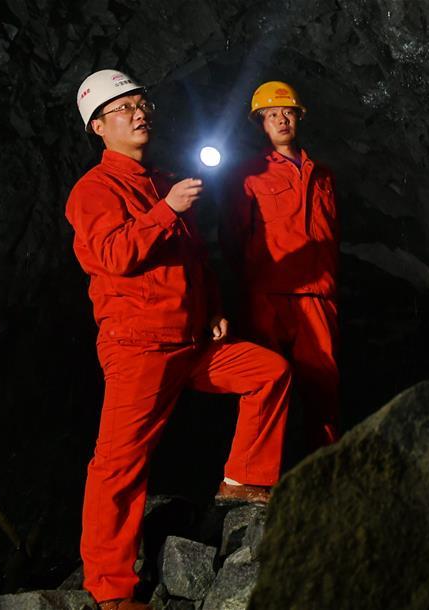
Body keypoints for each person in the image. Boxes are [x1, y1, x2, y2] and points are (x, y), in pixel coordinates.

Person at [67, 70, 292, 610]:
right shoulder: (94, 191)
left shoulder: (161, 179)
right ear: (98, 126)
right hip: (140, 345)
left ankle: (243, 479)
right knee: (119, 464)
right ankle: (109, 589)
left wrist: (214, 308)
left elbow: (195, 258)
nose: (139, 113)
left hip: (191, 342)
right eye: (124, 108)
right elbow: (114, 256)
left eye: (141, 103)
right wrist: (166, 210)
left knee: (269, 372)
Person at [221, 81, 340, 453]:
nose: (280, 119)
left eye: (287, 112)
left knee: (324, 388)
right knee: (266, 388)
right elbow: (233, 235)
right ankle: (260, 472)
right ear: (261, 123)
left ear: (299, 116)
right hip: (268, 296)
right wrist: (249, 284)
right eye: (271, 114)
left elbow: (333, 234)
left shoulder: (323, 175)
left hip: (318, 296)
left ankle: (325, 463)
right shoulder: (249, 175)